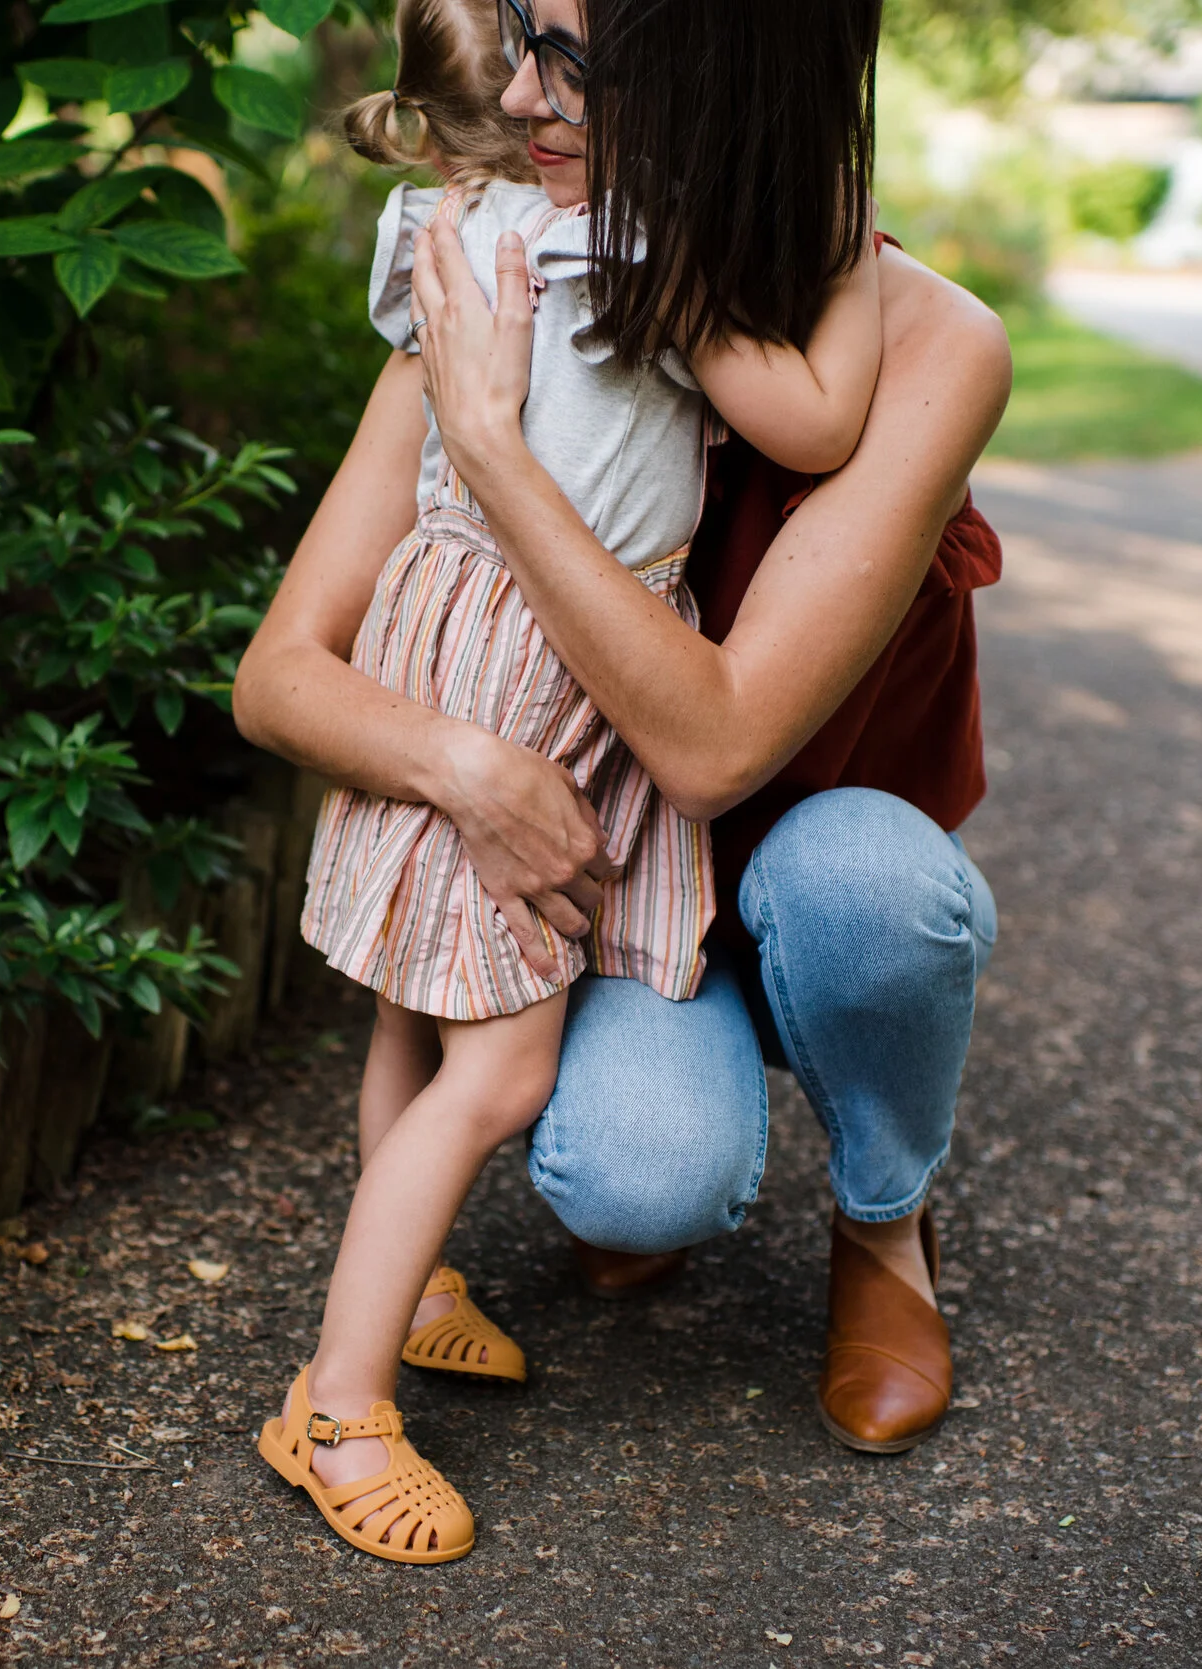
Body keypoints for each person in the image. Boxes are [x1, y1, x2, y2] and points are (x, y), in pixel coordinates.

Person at [251, 0, 892, 1566]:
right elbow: (816, 412)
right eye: (535, 58)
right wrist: (860, 254)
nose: (544, 99)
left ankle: (421, 1290)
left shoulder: (452, 222)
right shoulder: (631, 255)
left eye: (584, 71)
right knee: (507, 1074)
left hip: (439, 632)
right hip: (532, 678)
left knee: (418, 1009)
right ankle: (335, 1405)